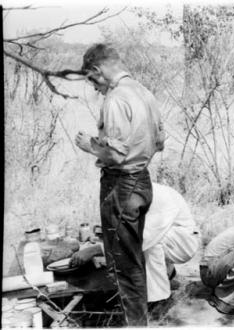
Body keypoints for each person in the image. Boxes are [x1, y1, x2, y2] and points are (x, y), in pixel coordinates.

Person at [75, 43, 165, 326]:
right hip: (142, 181)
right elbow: (160, 142)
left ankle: (136, 324)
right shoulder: (144, 92)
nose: (94, 88)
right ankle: (138, 320)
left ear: (97, 71)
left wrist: (90, 146)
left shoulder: (115, 99)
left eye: (91, 81)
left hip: (122, 185)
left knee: (124, 266)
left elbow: (114, 154)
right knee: (132, 259)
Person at [70, 183, 200, 311]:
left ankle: (157, 300)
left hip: (184, 244)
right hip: (163, 237)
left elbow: (142, 239)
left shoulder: (161, 198)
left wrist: (96, 250)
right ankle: (166, 274)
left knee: (147, 244)